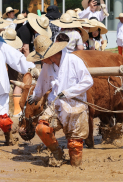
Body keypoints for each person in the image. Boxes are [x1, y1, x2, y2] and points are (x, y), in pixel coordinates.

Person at [26, 35, 93, 167]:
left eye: (41, 58)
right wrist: (35, 96)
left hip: (76, 107)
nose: (41, 61)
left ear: (50, 55)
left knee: (75, 147)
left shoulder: (74, 60)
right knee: (41, 128)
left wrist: (68, 92)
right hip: (55, 106)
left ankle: (75, 166)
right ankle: (57, 153)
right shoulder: (47, 66)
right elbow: (42, 84)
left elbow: (88, 81)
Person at [0, 26, 37, 145]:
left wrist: (32, 69)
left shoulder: (0, 46)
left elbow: (18, 59)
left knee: (4, 120)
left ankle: (8, 138)